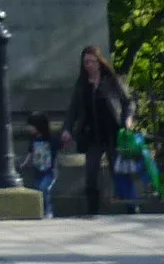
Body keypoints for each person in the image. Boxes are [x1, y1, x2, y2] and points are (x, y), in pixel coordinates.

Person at [61, 44, 133, 215]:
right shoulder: (82, 85)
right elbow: (73, 110)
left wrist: (128, 119)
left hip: (113, 133)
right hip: (92, 135)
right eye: (85, 62)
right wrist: (67, 129)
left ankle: (131, 206)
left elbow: (128, 103)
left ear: (99, 62)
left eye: (92, 62)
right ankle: (93, 210)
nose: (88, 65)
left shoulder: (111, 81)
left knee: (119, 171)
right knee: (91, 174)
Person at [24, 114, 58, 217]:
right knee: (38, 189)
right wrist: (25, 163)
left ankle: (48, 211)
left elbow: (56, 151)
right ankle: (41, 210)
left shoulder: (50, 139)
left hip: (49, 171)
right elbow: (30, 153)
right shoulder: (33, 140)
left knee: (44, 188)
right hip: (37, 170)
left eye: (31, 126)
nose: (28, 128)